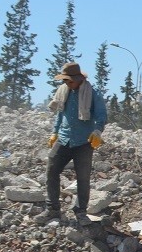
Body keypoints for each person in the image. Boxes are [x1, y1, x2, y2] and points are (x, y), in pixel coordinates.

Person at [36, 62, 107, 223]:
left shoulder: (92, 94)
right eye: (65, 81)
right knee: (51, 171)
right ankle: (53, 209)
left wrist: (97, 131)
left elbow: (101, 115)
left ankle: (80, 211)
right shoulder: (64, 92)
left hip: (84, 142)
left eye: (69, 81)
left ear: (78, 79)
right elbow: (61, 114)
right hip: (64, 138)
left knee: (83, 178)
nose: (66, 84)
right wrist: (55, 132)